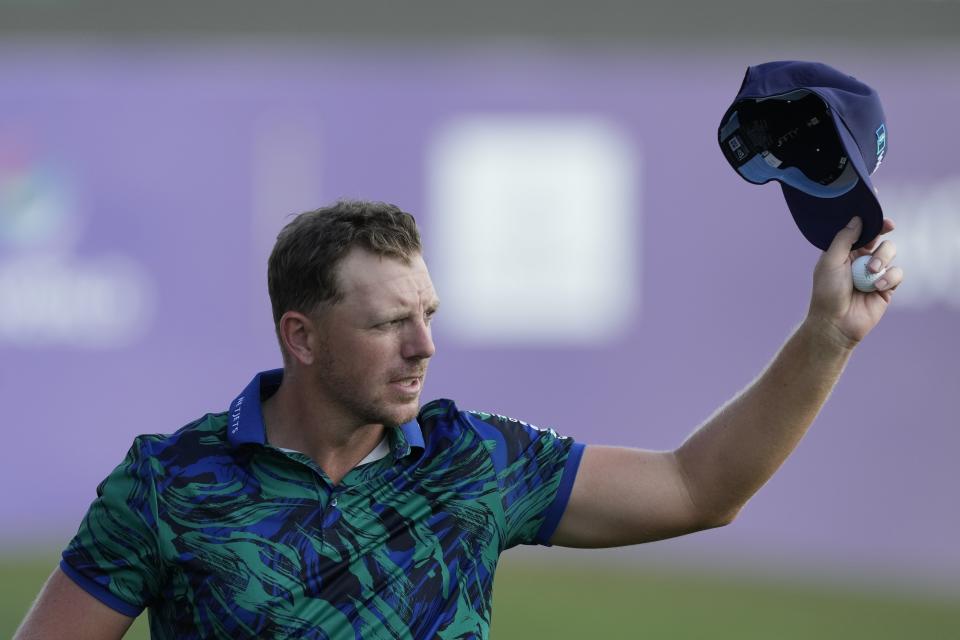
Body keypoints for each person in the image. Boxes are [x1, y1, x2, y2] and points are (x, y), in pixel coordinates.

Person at [15, 200, 902, 639]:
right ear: (304, 336)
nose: (423, 346)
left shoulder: (474, 459)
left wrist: (827, 337)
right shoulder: (167, 482)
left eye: (428, 314)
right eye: (388, 323)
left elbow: (696, 487)